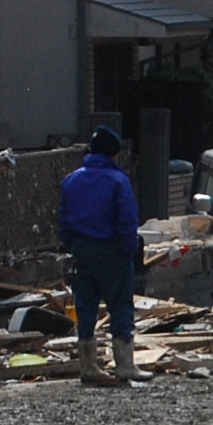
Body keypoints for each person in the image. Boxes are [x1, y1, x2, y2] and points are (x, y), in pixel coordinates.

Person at [59, 125, 144, 386]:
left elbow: (63, 221)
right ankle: (125, 365)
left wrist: (73, 245)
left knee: (85, 307)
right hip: (112, 250)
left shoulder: (71, 180)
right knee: (120, 305)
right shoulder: (118, 181)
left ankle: (88, 366)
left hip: (81, 250)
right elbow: (127, 220)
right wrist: (129, 250)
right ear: (114, 154)